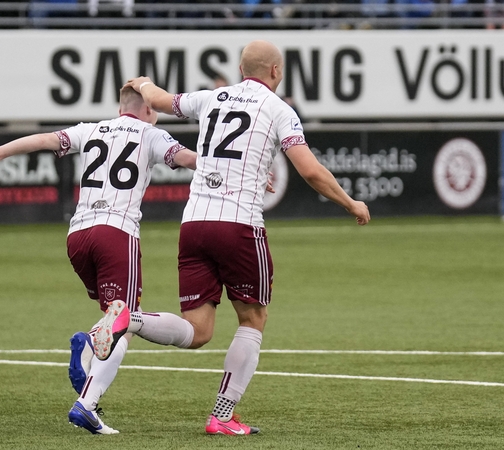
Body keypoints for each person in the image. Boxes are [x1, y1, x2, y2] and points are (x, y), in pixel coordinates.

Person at [91, 40, 370, 436]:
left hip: (193, 224)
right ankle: (222, 414)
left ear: (242, 69)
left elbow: (161, 99)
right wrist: (349, 202)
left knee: (198, 329)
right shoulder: (279, 110)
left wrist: (143, 83)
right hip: (238, 225)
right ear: (275, 72)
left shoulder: (210, 98)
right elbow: (309, 170)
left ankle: (128, 319)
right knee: (253, 318)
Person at [0, 85, 198, 435]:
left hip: (78, 236)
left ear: (120, 105)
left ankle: (89, 397)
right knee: (121, 322)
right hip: (116, 233)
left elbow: (42, 140)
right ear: (150, 109)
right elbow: (189, 159)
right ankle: (86, 390)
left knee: (115, 320)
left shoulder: (90, 129)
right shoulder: (151, 134)